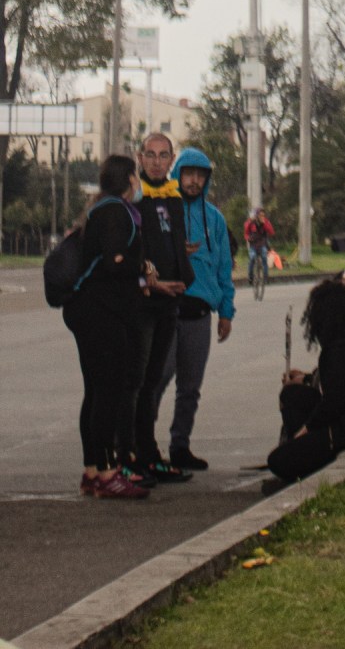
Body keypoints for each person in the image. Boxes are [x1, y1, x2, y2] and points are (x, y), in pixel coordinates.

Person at [62, 153, 153, 499]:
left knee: (96, 391)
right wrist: (141, 265)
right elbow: (116, 262)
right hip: (102, 313)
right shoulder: (117, 212)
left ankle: (92, 471)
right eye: (136, 175)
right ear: (130, 179)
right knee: (109, 392)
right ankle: (106, 472)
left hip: (90, 310)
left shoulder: (100, 209)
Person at [265, 277, 345, 491]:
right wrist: (306, 380)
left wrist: (306, 430)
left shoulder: (339, 352)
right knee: (293, 394)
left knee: (278, 461)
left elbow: (333, 403)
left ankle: (307, 464)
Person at [153, 145, 235, 471]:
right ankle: (139, 442)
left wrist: (227, 311)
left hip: (200, 311)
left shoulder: (214, 219)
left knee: (190, 387)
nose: (194, 181)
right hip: (166, 306)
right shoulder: (163, 211)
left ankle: (180, 445)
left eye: (200, 176)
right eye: (189, 174)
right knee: (159, 377)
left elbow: (223, 267)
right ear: (178, 174)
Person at [132, 133, 194, 482]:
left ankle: (150, 453)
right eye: (150, 155)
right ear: (140, 158)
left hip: (171, 299)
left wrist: (183, 262)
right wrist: (152, 279)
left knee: (154, 379)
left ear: (172, 160)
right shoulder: (136, 199)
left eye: (163, 155)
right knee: (139, 382)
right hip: (144, 300)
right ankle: (136, 454)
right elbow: (135, 250)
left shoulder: (173, 198)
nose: (156, 161)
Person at [243, 204, 275, 286]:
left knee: (264, 257)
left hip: (262, 244)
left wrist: (265, 224)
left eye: (263, 215)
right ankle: (250, 277)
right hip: (253, 245)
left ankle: (265, 277)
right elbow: (246, 233)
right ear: (256, 215)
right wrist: (248, 238)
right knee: (252, 258)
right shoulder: (251, 223)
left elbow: (271, 232)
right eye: (260, 215)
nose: (262, 217)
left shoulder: (266, 222)